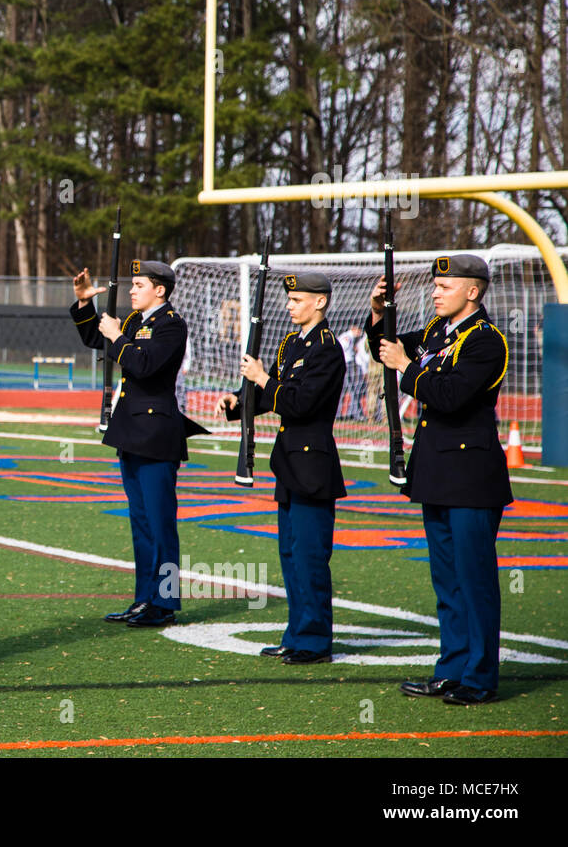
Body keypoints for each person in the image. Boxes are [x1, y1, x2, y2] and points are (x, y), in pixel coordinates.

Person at [367, 254, 511, 706]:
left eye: (446, 286)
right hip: (435, 473)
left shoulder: (486, 342)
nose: (436, 291)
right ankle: (451, 668)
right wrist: (378, 313)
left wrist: (405, 367)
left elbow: (449, 395)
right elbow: (385, 347)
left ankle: (480, 675)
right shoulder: (436, 333)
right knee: (447, 581)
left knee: (474, 580)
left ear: (473, 292)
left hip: (470, 477)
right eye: (434, 285)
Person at [71, 260, 208, 628]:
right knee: (141, 521)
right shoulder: (134, 323)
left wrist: (117, 337)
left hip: (156, 434)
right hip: (130, 431)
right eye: (131, 284)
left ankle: (163, 603)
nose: (131, 290)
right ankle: (143, 598)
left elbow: (144, 366)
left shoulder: (170, 325)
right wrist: (85, 305)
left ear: (159, 290)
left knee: (160, 522)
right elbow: (93, 338)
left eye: (139, 284)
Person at [218, 273, 346, 664]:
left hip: (312, 463)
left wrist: (260, 378)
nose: (290, 306)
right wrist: (239, 403)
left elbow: (300, 403)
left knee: (309, 556)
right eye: (289, 300)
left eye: (297, 300)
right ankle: (296, 633)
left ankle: (314, 640)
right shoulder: (292, 344)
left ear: (319, 303)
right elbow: (268, 396)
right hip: (289, 462)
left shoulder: (327, 349)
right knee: (290, 555)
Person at [337, 325, 367, 419]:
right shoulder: (347, 338)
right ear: (353, 328)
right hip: (346, 365)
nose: (359, 333)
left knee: (349, 389)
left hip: (347, 364)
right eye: (358, 330)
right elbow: (340, 350)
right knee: (351, 389)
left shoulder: (349, 338)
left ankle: (349, 413)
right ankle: (356, 414)